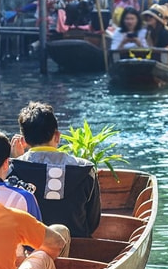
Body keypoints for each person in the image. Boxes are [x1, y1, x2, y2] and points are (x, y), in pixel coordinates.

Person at [9, 101, 102, 238]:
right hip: (78, 245)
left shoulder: (13, 169)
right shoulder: (85, 169)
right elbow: (93, 221)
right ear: (57, 136)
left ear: (24, 141)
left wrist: (17, 160)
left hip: (31, 249)